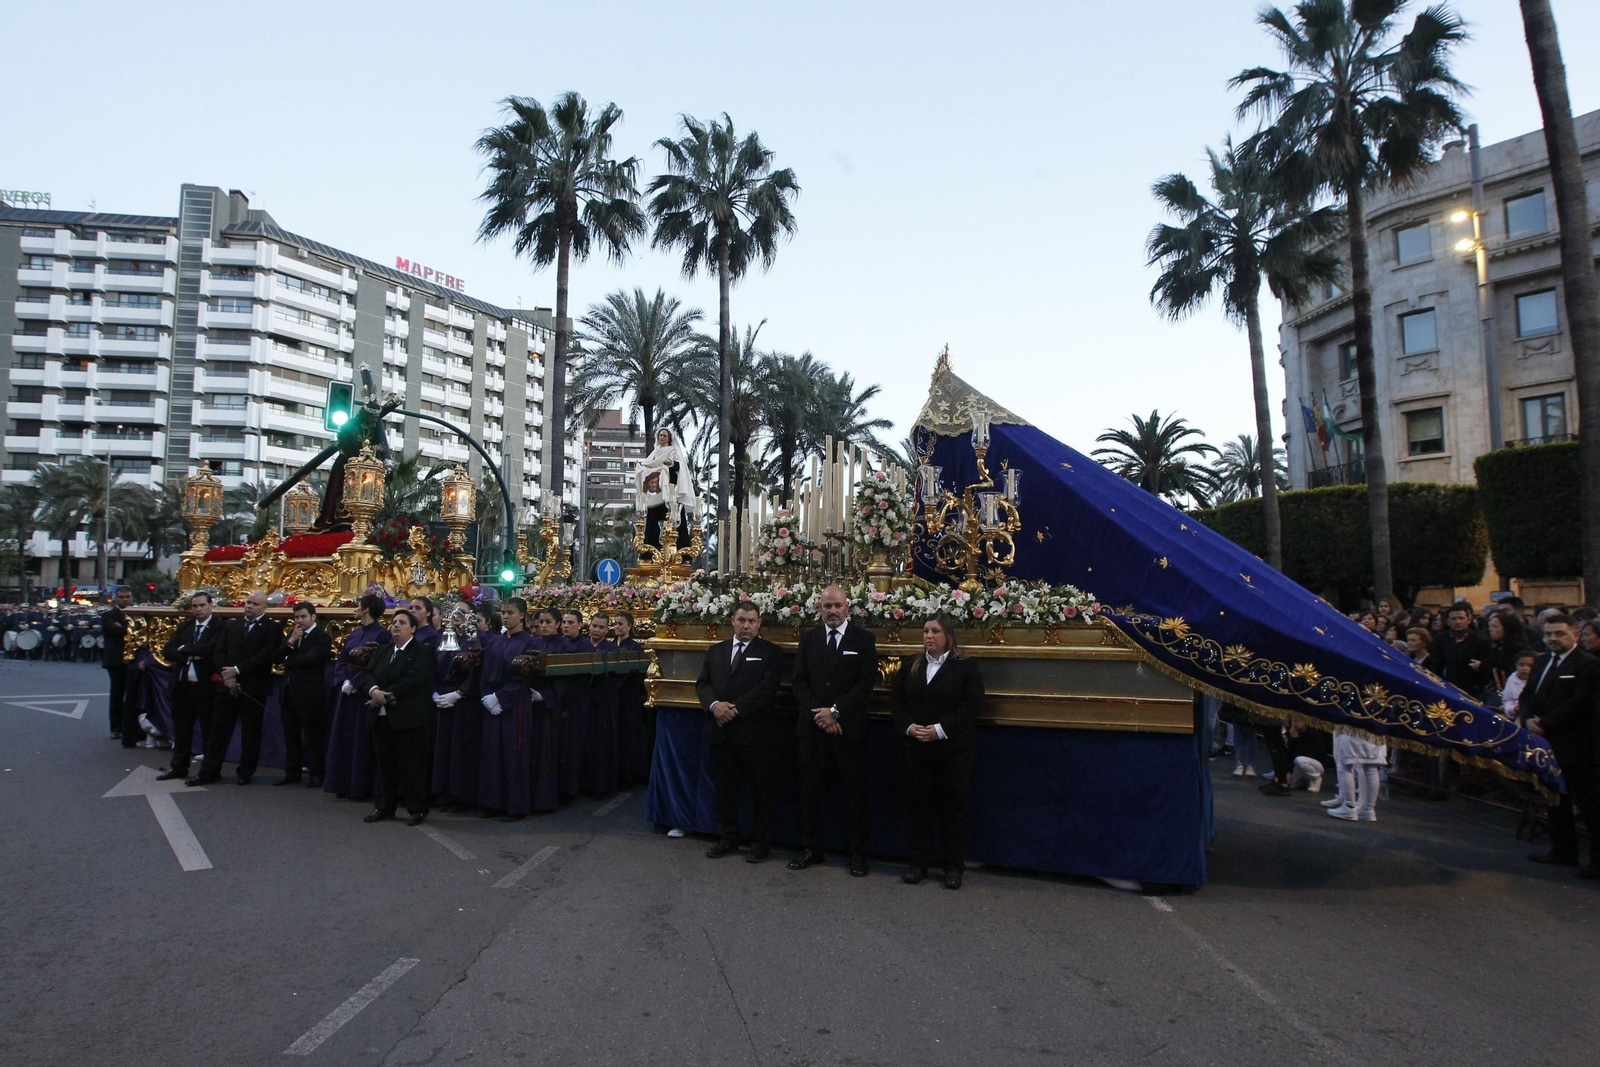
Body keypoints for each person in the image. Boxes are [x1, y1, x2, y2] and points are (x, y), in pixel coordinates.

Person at [789, 584, 879, 877]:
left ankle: (857, 855)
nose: (832, 611)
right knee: (809, 792)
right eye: (827, 606)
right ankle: (811, 849)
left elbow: (865, 685)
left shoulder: (863, 639)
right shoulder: (809, 639)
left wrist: (836, 712)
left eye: (837, 606)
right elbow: (799, 682)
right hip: (812, 729)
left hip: (848, 730)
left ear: (847, 608)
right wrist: (821, 715)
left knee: (854, 794)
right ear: (819, 608)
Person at [891, 612, 984, 890]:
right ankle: (918, 863)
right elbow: (897, 701)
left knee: (952, 808)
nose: (929, 636)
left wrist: (940, 730)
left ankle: (953, 867)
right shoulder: (911, 665)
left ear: (948, 636)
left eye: (935, 631)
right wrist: (909, 727)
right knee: (920, 807)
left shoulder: (965, 667)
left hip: (952, 750)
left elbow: (971, 707)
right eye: (925, 631)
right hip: (917, 749)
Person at [696, 601, 783, 863]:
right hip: (721, 734)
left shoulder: (770, 653)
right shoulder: (716, 651)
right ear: (732, 621)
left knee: (761, 792)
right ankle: (728, 837)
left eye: (752, 621)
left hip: (755, 734)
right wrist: (714, 706)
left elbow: (767, 689)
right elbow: (703, 684)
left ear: (759, 624)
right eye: (742, 620)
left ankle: (760, 842)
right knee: (726, 790)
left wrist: (734, 710)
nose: (746, 625)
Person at [1522, 613, 1600, 877]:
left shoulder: (1587, 664)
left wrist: (1544, 722)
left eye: (1559, 634)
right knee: (1555, 798)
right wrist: (1527, 719)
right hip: (1544, 744)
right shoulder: (1541, 661)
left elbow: (1580, 703)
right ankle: (1563, 850)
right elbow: (1528, 695)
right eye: (1548, 634)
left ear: (1575, 635)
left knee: (1588, 804)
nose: (1553, 639)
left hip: (1576, 745)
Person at [349, 609, 436, 826]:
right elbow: (367, 674)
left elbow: (413, 680)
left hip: (408, 718)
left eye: (402, 623)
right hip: (381, 717)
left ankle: (417, 809)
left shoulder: (422, 652)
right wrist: (374, 691)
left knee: (411, 765)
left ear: (413, 628)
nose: (395, 626)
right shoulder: (384, 651)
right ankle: (385, 806)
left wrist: (385, 696)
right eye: (394, 622)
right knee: (385, 765)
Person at [191, 591, 284, 786]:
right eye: (248, 602)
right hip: (226, 686)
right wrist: (226, 674)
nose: (249, 606)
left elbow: (265, 655)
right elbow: (219, 651)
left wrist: (238, 670)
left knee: (250, 733)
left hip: (252, 688)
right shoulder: (232, 625)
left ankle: (245, 772)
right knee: (218, 731)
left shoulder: (272, 628)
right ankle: (209, 771)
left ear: (264, 608)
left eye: (255, 604)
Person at [475, 597, 545, 820]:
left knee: (513, 754)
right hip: (492, 702)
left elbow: (524, 678)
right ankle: (491, 802)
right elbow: (484, 671)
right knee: (491, 753)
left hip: (516, 706)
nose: (505, 616)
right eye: (503, 612)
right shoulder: (495, 641)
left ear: (522, 615)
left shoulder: (530, 643)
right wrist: (487, 696)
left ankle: (515, 806)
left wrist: (500, 698)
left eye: (511, 612)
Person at [324, 594, 391, 799]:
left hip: (364, 692)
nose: (355, 609)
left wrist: (356, 682)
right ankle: (343, 783)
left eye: (358, 606)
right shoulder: (354, 634)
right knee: (344, 737)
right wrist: (343, 680)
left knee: (362, 739)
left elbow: (377, 665)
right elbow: (342, 659)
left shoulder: (381, 635)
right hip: (347, 692)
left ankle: (360, 786)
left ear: (366, 610)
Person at [156, 592, 222, 781]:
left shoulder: (219, 626)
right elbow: (168, 650)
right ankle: (178, 767)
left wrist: (186, 648)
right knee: (182, 730)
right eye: (195, 606)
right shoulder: (185, 626)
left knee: (209, 730)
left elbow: (211, 648)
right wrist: (187, 655)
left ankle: (209, 771)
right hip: (182, 685)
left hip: (205, 687)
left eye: (202, 605)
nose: (198, 609)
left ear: (211, 605)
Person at [275, 602, 333, 787]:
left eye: (303, 617)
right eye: (296, 617)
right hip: (289, 692)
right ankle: (292, 772)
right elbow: (276, 658)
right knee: (290, 735)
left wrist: (289, 660)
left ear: (313, 617)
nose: (299, 621)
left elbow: (311, 658)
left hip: (309, 694)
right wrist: (290, 641)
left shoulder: (321, 637)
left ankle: (317, 773)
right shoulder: (293, 637)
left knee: (312, 736)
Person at [636, 428, 697, 549]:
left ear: (669, 438)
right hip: (656, 495)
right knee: (652, 521)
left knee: (674, 520)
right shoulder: (655, 451)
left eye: (664, 435)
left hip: (669, 493)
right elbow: (649, 465)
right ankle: (650, 550)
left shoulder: (673, 450)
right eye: (660, 435)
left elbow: (678, 467)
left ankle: (678, 549)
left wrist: (670, 465)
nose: (662, 437)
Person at [1425, 602, 1495, 699]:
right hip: (1448, 688)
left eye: (1461, 618)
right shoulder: (1440, 640)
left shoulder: (1481, 641)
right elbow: (1436, 665)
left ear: (1469, 620)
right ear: (1448, 621)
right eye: (1454, 619)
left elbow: (1488, 666)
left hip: (1473, 690)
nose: (1458, 622)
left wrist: (1481, 667)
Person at [1326, 729, 1386, 822]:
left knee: (1345, 765)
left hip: (1354, 726)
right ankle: (1368, 809)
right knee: (1371, 769)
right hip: (1377, 728)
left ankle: (1349, 807)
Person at [102, 586, 133, 742]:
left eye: (127, 596)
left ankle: (131, 726)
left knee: (133, 695)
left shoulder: (135, 613)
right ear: (116, 598)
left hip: (132, 660)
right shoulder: (109, 615)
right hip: (116, 660)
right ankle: (116, 727)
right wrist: (127, 629)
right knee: (117, 694)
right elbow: (116, 632)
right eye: (121, 597)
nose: (125, 599)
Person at [1501, 651, 1536, 721]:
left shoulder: (1537, 679)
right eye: (1521, 665)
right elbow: (1507, 700)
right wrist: (1512, 709)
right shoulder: (1512, 679)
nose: (1525, 668)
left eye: (1529, 666)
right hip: (1517, 715)